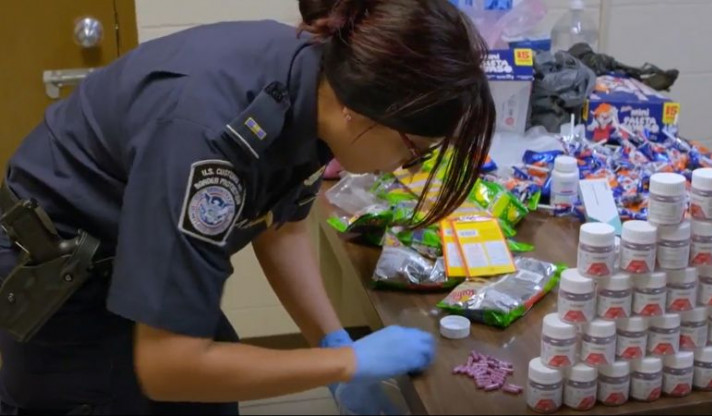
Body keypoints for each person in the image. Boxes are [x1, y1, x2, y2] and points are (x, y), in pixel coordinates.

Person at [0, 0, 495, 414]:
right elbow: (168, 366)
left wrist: (333, 343)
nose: (405, 166)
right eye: (415, 150)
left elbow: (281, 227)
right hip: (65, 280)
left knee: (214, 397)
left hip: (131, 257)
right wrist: (347, 364)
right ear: (362, 112)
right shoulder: (209, 137)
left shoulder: (317, 83)